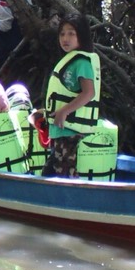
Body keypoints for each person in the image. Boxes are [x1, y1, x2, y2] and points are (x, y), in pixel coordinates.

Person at [38, 16, 100, 178]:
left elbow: (89, 93)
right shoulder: (68, 60)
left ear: (82, 36)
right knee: (50, 172)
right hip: (59, 130)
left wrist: (64, 111)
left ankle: (72, 202)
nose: (65, 38)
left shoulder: (82, 63)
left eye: (71, 34)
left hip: (69, 131)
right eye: (62, 34)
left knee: (65, 172)